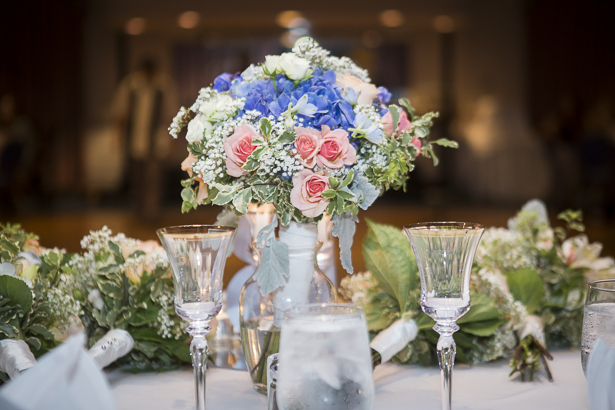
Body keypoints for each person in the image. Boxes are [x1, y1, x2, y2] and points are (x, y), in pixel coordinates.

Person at [110, 58, 176, 221]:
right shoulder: (130, 86)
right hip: (134, 141)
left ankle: (151, 212)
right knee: (137, 181)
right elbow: (121, 113)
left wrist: (172, 140)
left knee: (153, 181)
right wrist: (118, 136)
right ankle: (138, 212)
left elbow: (171, 115)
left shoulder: (164, 87)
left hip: (156, 143)